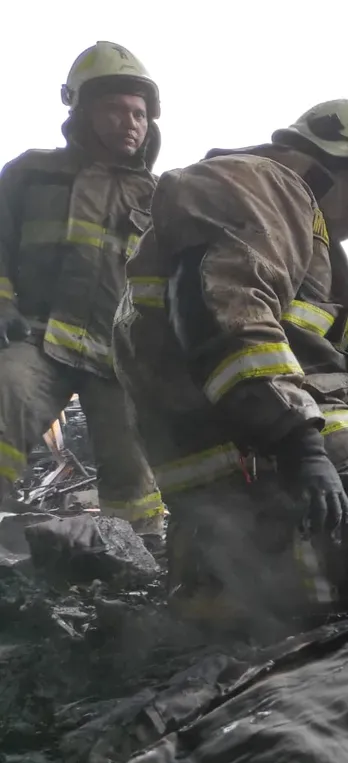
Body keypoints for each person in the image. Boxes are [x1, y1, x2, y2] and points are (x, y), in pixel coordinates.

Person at [112, 99, 348, 623]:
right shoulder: (262, 183)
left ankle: (340, 540)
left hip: (286, 412)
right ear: (329, 153)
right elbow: (223, 317)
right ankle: (294, 567)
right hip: (242, 436)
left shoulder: (313, 238)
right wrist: (301, 446)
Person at [0, 41, 164, 541]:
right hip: (38, 336)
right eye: (114, 108)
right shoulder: (31, 172)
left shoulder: (157, 197)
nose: (130, 122)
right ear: (80, 110)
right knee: (6, 395)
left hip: (117, 356)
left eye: (138, 113)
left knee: (133, 461)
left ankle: (142, 557)